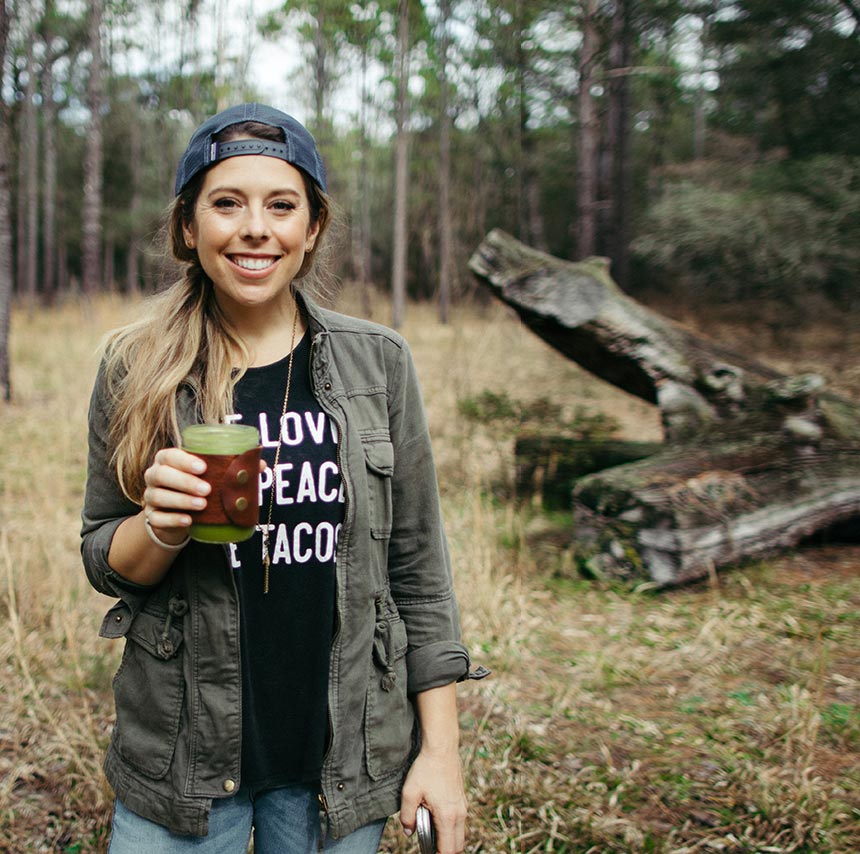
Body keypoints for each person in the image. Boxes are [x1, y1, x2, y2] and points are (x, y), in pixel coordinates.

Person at [81, 103, 482, 854]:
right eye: (226, 203)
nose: (255, 228)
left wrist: (441, 752)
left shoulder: (379, 364)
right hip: (184, 759)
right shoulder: (134, 367)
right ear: (188, 228)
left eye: (282, 205)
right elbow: (105, 559)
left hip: (337, 755)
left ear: (313, 227)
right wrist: (159, 529)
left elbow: (419, 576)